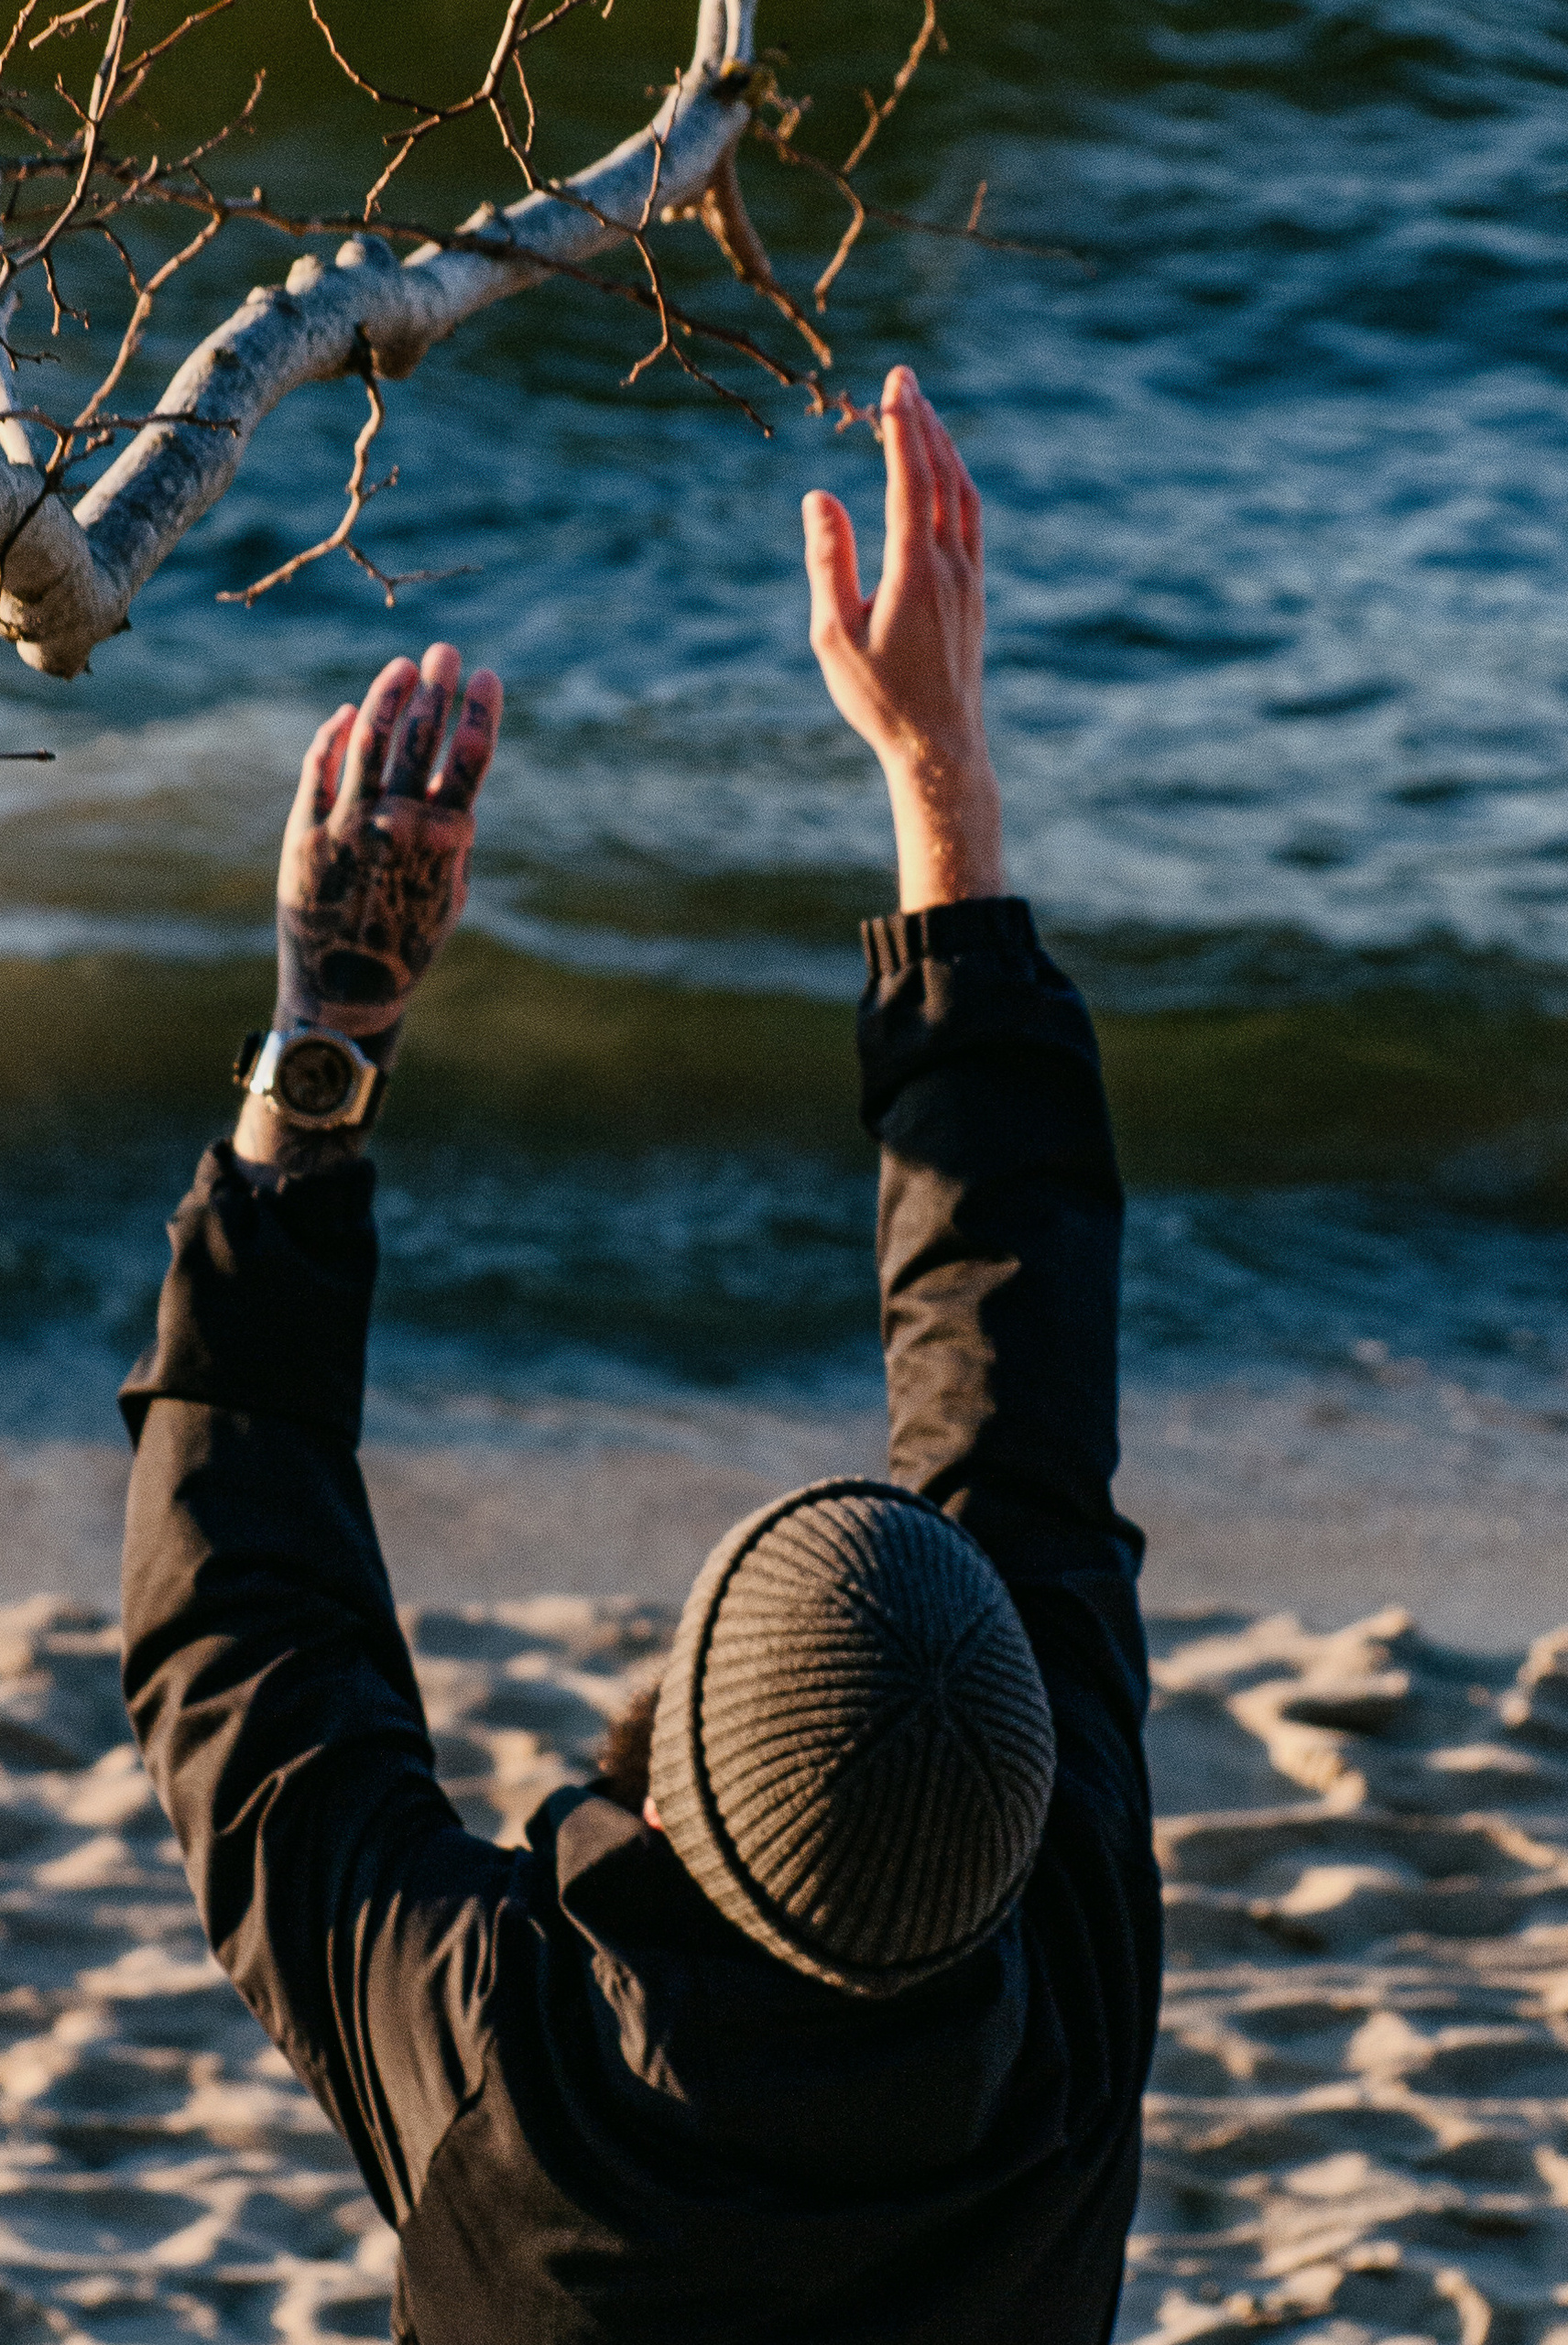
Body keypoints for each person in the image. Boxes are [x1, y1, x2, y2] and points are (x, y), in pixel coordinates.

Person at [118, 364, 1161, 2344]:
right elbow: (1014, 1394)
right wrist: (938, 780)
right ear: (1016, 1801)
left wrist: (327, 1028)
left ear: (677, 1786)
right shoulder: (1065, 2015)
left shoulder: (519, 2080)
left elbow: (240, 1636)